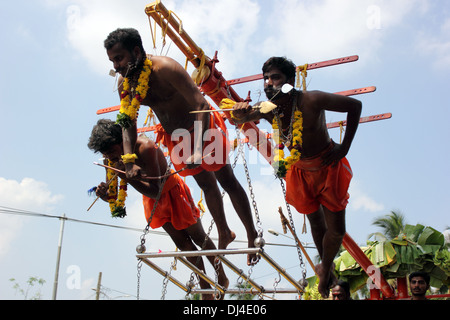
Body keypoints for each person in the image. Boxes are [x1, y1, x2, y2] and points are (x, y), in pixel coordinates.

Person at [103, 28, 259, 265]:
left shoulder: (165, 68)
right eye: (112, 61)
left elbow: (201, 104)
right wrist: (129, 160)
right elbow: (127, 122)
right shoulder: (125, 83)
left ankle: (251, 235)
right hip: (175, 136)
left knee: (225, 179)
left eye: (119, 58)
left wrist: (198, 148)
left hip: (201, 128)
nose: (116, 66)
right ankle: (224, 232)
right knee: (205, 183)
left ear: (136, 51)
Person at [232, 57, 362, 298]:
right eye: (266, 79)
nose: (269, 83)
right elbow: (238, 119)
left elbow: (355, 105)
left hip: (327, 164)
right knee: (315, 223)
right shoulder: (266, 108)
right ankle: (326, 267)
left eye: (275, 78)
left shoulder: (311, 99)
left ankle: (325, 266)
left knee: (337, 231)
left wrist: (344, 148)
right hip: (300, 171)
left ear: (290, 81)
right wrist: (237, 111)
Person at [88, 119, 229, 299]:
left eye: (113, 152)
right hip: (152, 202)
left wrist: (130, 177)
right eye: (106, 155)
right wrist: (104, 195)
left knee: (198, 237)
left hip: (170, 192)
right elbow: (114, 198)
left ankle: (222, 276)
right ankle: (205, 286)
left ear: (122, 141)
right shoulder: (113, 160)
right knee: (183, 244)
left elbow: (156, 190)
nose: (111, 159)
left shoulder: (145, 147)